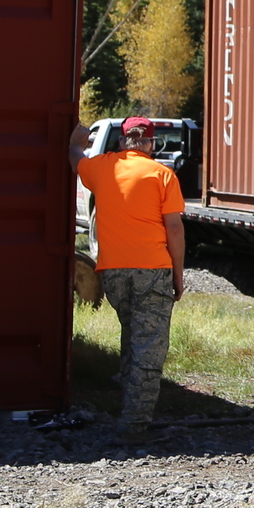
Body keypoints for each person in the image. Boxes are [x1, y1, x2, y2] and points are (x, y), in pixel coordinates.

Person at [72, 116, 186, 434]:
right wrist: (178, 274)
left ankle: (129, 404)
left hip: (113, 272)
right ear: (150, 144)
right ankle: (134, 424)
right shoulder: (162, 174)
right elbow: (174, 228)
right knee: (149, 344)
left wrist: (75, 143)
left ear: (123, 141)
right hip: (153, 269)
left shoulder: (102, 167)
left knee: (132, 335)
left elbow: (75, 161)